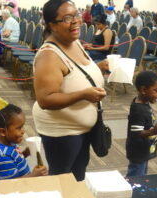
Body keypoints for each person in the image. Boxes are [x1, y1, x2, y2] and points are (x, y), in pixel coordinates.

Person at [33, 0, 108, 181]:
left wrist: (99, 67)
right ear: (52, 25)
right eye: (67, 18)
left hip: (81, 129)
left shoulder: (73, 41)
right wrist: (84, 94)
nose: (75, 21)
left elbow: (74, 73)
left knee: (77, 175)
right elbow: (45, 99)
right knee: (62, 179)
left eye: (76, 15)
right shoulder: (49, 56)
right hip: (62, 132)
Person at [0, 104, 48, 180]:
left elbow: (15, 160)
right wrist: (33, 175)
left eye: (22, 126)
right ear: (3, 131)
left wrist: (25, 153)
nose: (23, 131)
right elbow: (11, 183)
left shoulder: (10, 143)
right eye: (19, 128)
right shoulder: (3, 156)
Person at [126, 71, 157, 177]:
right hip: (138, 152)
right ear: (144, 90)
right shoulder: (139, 110)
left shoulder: (144, 103)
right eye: (156, 90)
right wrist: (153, 131)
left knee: (142, 176)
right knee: (135, 178)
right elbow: (136, 134)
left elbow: (145, 124)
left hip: (143, 149)